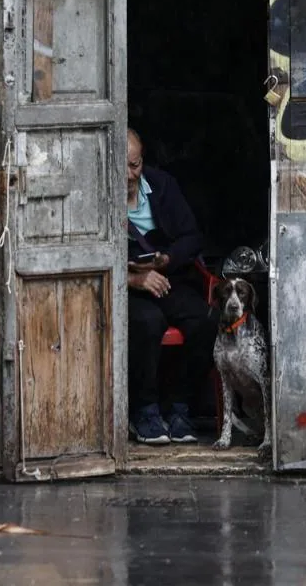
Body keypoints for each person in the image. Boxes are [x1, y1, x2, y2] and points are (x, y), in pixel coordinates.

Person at [126, 128, 214, 446]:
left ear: (142, 161)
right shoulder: (99, 192)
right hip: (127, 286)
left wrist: (166, 260)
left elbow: (192, 237)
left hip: (168, 276)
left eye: (134, 165)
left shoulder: (162, 186)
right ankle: (144, 411)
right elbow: (86, 253)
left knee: (204, 319)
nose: (129, 175)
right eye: (121, 166)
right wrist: (133, 279)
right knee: (147, 322)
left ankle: (180, 408)